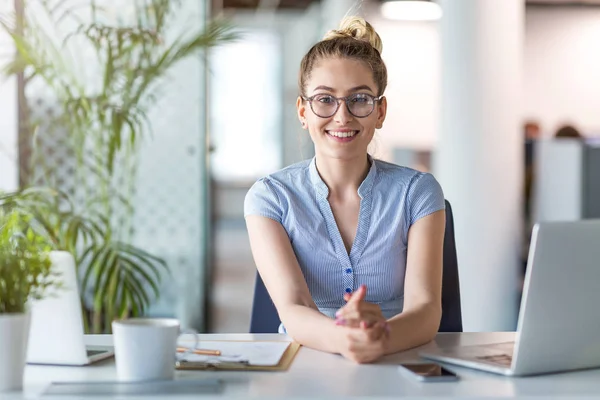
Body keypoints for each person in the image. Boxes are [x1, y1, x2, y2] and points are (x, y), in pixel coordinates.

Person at [244, 16, 446, 364]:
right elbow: (295, 308)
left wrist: (378, 340)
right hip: (305, 362)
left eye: (360, 99)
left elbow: (425, 311)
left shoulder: (418, 192)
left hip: (397, 359)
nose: (342, 116)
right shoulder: (270, 198)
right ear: (303, 111)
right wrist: (348, 339)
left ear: (379, 111)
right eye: (325, 100)